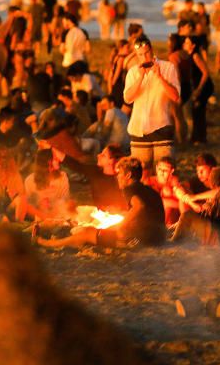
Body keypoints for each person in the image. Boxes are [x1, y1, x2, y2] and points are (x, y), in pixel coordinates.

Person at [33, 156, 166, 249]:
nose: (117, 177)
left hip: (141, 240)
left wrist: (119, 227)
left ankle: (45, 243)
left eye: (119, 173)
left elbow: (139, 206)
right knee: (100, 229)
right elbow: (147, 212)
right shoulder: (148, 190)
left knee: (88, 233)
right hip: (159, 237)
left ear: (128, 175)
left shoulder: (129, 188)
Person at [122, 36, 181, 171]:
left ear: (152, 50)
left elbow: (175, 96)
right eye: (140, 55)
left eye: (147, 53)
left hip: (162, 128)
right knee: (141, 176)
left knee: (165, 174)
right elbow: (128, 98)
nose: (144, 57)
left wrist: (159, 77)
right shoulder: (133, 72)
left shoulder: (167, 67)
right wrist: (141, 77)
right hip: (138, 131)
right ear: (136, 56)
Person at [18, 149, 72, 222]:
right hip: (39, 221)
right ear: (48, 162)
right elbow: (29, 206)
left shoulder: (62, 177)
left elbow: (66, 200)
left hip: (59, 219)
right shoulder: (30, 181)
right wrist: (40, 204)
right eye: (56, 158)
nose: (60, 160)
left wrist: (57, 208)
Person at [183, 34, 213, 144]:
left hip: (204, 86)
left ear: (193, 45)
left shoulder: (195, 56)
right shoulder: (189, 55)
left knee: (199, 111)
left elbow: (205, 73)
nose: (184, 44)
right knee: (196, 112)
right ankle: (198, 137)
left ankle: (200, 138)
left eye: (187, 43)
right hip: (198, 86)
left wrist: (199, 89)